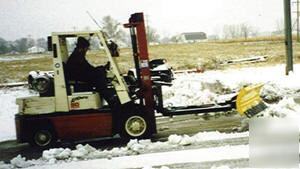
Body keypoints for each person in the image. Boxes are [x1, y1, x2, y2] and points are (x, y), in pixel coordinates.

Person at [65, 37, 120, 109]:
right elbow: (87, 70)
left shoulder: (78, 55)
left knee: (100, 75)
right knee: (100, 79)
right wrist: (100, 70)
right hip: (78, 78)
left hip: (80, 75)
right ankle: (111, 100)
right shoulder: (77, 57)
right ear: (82, 48)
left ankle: (107, 99)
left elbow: (89, 68)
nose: (87, 50)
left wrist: (101, 68)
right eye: (86, 48)